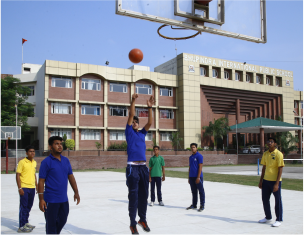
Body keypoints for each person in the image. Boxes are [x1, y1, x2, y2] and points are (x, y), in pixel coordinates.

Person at [38, 136, 80, 235]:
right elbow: (41, 181)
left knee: (63, 220)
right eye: (56, 144)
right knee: (51, 224)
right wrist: (41, 199)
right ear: (50, 147)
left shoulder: (66, 160)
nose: (59, 146)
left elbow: (71, 177)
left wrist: (76, 192)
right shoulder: (46, 162)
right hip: (51, 200)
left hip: (63, 199)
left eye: (60, 144)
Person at [125, 93, 155, 235]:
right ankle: (132, 224)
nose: (135, 122)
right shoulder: (129, 132)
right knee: (134, 196)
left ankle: (142, 219)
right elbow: (131, 114)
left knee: (144, 196)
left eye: (137, 121)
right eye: (134, 121)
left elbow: (150, 123)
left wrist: (150, 107)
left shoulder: (142, 133)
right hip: (132, 167)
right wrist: (133, 100)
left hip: (143, 168)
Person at [258, 137, 284, 227]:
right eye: (268, 141)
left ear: (275, 144)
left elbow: (280, 168)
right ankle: (268, 217)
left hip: (275, 182)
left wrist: (277, 183)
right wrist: (261, 181)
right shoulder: (265, 154)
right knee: (265, 200)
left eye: (271, 142)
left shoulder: (278, 154)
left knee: (278, 201)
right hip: (266, 181)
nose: (269, 143)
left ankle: (279, 219)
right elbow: (264, 168)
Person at [16, 145, 38, 233]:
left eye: (33, 151)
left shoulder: (34, 162)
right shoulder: (22, 162)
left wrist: (36, 186)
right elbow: (17, 175)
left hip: (32, 187)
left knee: (29, 206)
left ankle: (26, 222)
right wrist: (19, 188)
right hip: (24, 187)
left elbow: (34, 175)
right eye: (30, 151)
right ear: (26, 153)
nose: (32, 153)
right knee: (23, 206)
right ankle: (21, 226)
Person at [186, 143, 205, 212]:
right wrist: (189, 177)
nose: (192, 148)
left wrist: (198, 177)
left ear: (196, 148)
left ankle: (202, 205)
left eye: (194, 147)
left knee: (201, 191)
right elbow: (190, 167)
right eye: (191, 147)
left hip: (198, 177)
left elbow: (200, 167)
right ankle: (194, 205)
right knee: (194, 192)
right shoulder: (190, 157)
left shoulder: (199, 156)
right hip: (191, 177)